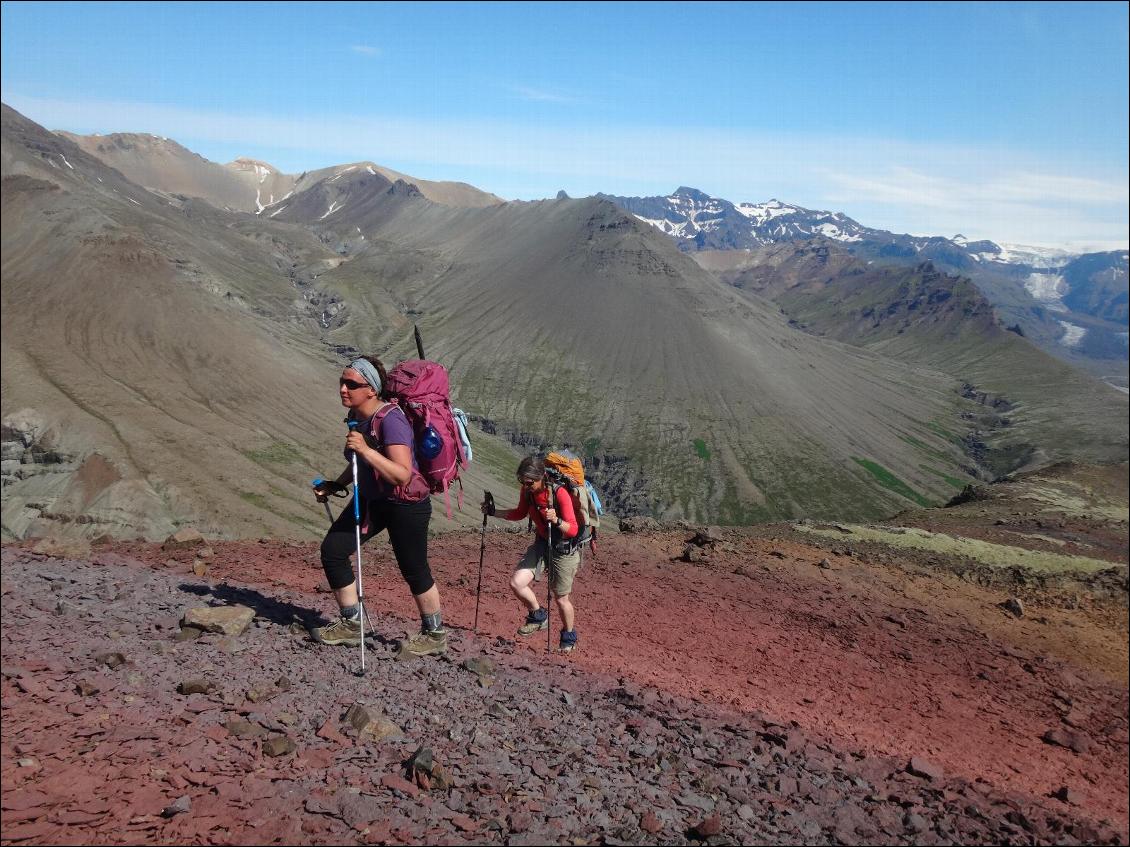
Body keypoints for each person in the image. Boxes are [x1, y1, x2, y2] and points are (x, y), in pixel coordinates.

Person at [310, 356, 447, 658]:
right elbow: (361, 461)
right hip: (373, 498)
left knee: (414, 569)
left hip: (405, 503)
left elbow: (401, 474)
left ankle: (435, 633)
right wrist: (337, 483)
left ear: (371, 389)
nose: (343, 389)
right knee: (333, 550)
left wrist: (364, 449)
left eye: (352, 384)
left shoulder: (391, 420)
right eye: (342, 383)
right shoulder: (358, 417)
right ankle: (350, 623)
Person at [483, 456, 581, 652]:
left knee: (561, 598)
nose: (526, 486)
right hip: (542, 542)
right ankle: (538, 615)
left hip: (563, 549)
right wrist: (494, 513)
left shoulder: (559, 493)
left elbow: (573, 530)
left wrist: (557, 521)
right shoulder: (528, 492)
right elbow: (520, 513)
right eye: (522, 482)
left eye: (529, 482)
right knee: (516, 583)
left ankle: (568, 637)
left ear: (542, 477)